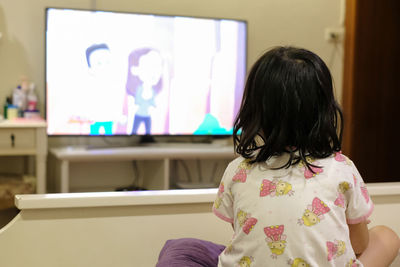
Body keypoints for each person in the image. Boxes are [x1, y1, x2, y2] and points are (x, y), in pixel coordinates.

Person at [213, 46, 400, 267]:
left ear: (254, 110)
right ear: (324, 111)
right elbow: (358, 244)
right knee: (386, 236)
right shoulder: (341, 167)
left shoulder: (238, 169)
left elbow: (245, 232)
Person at [124, 47, 165, 135]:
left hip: (147, 115)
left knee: (148, 131)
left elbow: (152, 102)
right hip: (138, 114)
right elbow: (137, 101)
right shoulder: (136, 91)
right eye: (150, 66)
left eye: (159, 65)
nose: (156, 72)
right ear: (135, 70)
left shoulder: (155, 92)